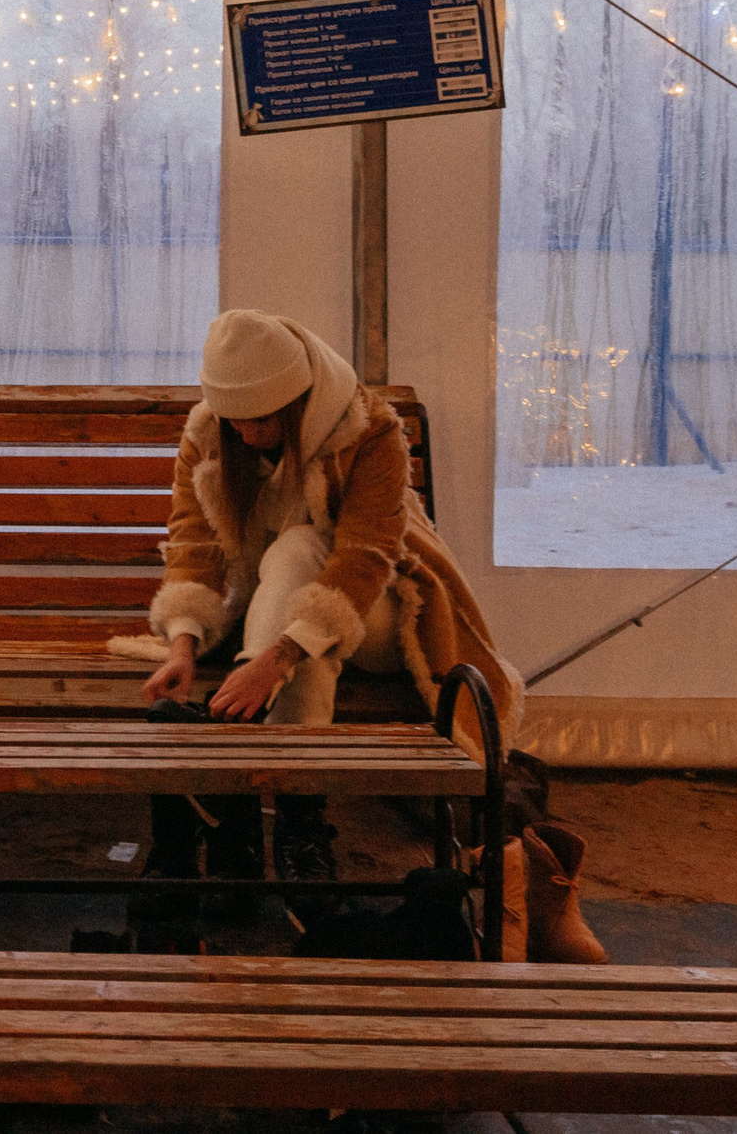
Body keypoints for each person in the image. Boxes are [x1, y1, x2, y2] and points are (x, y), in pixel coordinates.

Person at [117, 311, 527, 921]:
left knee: (301, 549)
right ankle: (301, 827)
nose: (248, 433)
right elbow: (192, 543)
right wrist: (182, 644)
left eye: (262, 418)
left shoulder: (367, 430)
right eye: (236, 419)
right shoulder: (208, 436)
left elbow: (365, 557)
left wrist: (270, 662)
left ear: (297, 398)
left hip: (383, 615)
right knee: (306, 633)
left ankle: (239, 761)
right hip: (285, 619)